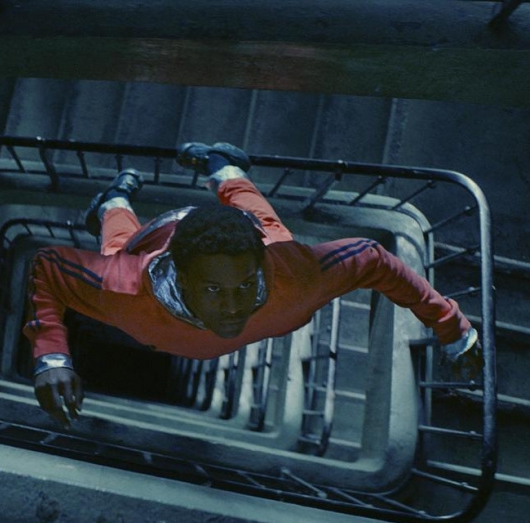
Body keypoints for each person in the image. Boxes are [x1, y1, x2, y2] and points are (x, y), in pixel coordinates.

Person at [24, 142, 483, 427]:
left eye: (245, 286)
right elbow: (47, 265)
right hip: (162, 239)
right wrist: (52, 355)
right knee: (118, 247)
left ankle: (219, 164)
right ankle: (114, 200)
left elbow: (373, 258)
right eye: (212, 290)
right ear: (181, 277)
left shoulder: (292, 273)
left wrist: (452, 327)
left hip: (255, 240)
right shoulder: (122, 288)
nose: (233, 307)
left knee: (259, 216)